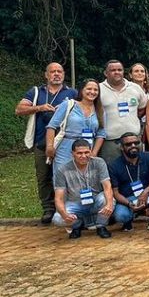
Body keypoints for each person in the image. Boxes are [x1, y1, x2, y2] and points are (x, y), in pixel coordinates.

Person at [16, 61, 77, 224]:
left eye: (60, 71)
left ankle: (65, 208)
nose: (56, 74)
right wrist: (39, 107)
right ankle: (48, 208)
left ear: (64, 74)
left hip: (65, 144)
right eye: (53, 72)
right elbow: (19, 109)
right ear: (46, 75)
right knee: (43, 177)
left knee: (66, 176)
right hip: (41, 142)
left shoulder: (72, 93)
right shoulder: (36, 92)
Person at [52, 140, 116, 239]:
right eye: (79, 153)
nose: (84, 156)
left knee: (106, 199)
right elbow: (58, 198)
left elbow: (107, 186)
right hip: (75, 203)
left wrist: (109, 204)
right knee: (58, 218)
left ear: (90, 151)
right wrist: (64, 214)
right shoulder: (62, 170)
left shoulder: (99, 163)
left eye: (86, 152)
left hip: (95, 201)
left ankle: (101, 226)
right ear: (72, 154)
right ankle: (77, 225)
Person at [108, 131, 149, 233]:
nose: (133, 146)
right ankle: (128, 221)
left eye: (136, 143)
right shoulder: (114, 165)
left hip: (147, 196)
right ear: (122, 147)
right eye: (128, 144)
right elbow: (115, 192)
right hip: (127, 199)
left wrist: (145, 192)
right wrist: (129, 203)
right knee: (121, 216)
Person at [46, 78, 105, 175]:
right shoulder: (68, 105)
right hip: (66, 150)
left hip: (87, 151)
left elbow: (101, 134)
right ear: (82, 90)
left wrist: (94, 153)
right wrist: (49, 147)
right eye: (89, 89)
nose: (92, 92)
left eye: (96, 90)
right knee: (63, 179)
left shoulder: (100, 110)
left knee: (83, 180)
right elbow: (51, 126)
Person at [97, 60, 147, 162]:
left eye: (119, 70)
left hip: (134, 140)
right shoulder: (99, 89)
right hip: (110, 142)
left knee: (136, 171)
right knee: (112, 173)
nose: (117, 72)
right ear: (106, 73)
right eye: (113, 70)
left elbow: (142, 108)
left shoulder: (135, 88)